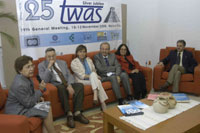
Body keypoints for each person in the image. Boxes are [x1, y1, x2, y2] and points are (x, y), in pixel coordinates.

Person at [38, 48, 89, 128]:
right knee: (61, 88)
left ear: (56, 55)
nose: (51, 58)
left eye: (53, 56)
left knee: (80, 86)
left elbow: (69, 75)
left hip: (67, 83)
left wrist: (69, 85)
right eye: (49, 57)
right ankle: (69, 114)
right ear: (45, 57)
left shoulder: (62, 62)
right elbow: (45, 80)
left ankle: (77, 113)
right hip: (57, 85)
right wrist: (49, 67)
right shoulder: (41, 65)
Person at [5, 55, 56, 133]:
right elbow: (29, 104)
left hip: (23, 106)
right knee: (47, 109)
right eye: (28, 67)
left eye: (32, 65)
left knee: (46, 105)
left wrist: (38, 97)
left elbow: (30, 92)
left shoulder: (27, 77)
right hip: (18, 112)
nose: (32, 69)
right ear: (20, 70)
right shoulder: (19, 84)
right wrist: (41, 91)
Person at [71, 45, 108, 111]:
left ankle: (98, 99)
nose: (82, 53)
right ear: (77, 53)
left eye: (84, 52)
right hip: (81, 80)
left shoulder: (89, 60)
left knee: (96, 79)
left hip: (91, 79)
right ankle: (101, 102)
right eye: (80, 51)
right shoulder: (74, 62)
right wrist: (94, 76)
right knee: (97, 80)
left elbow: (94, 70)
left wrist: (95, 75)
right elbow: (81, 76)